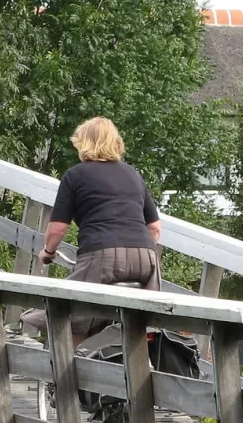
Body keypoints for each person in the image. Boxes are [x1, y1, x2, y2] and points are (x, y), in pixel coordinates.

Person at [19, 117, 162, 341]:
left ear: (83, 143)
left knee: (71, 311)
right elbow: (154, 227)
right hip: (146, 258)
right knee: (140, 321)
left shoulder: (75, 175)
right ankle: (138, 366)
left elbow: (57, 229)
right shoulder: (133, 174)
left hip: (103, 254)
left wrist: (47, 253)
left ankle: (68, 371)